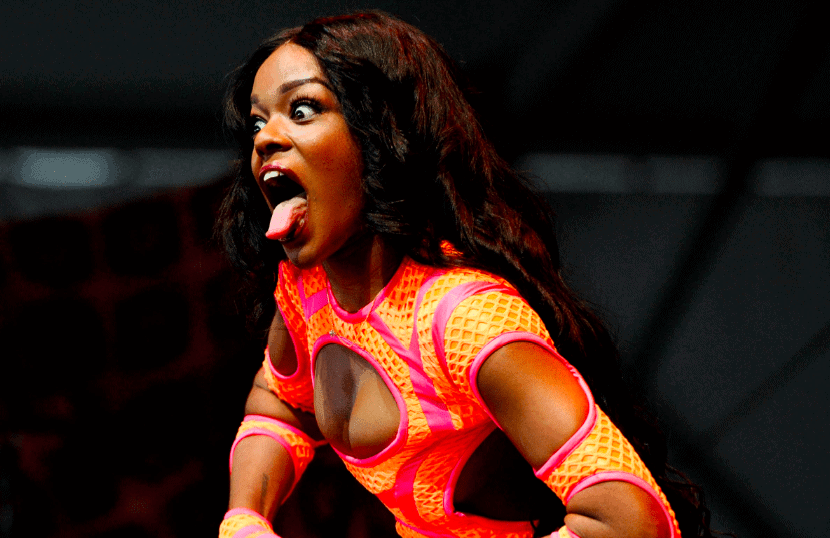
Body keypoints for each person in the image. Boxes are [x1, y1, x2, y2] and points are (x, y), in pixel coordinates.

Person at [217, 11, 712, 538]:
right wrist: (245, 516)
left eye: (301, 109)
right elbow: (279, 405)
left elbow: (633, 522)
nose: (266, 137)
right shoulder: (306, 291)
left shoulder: (463, 319)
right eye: (256, 121)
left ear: (380, 132)